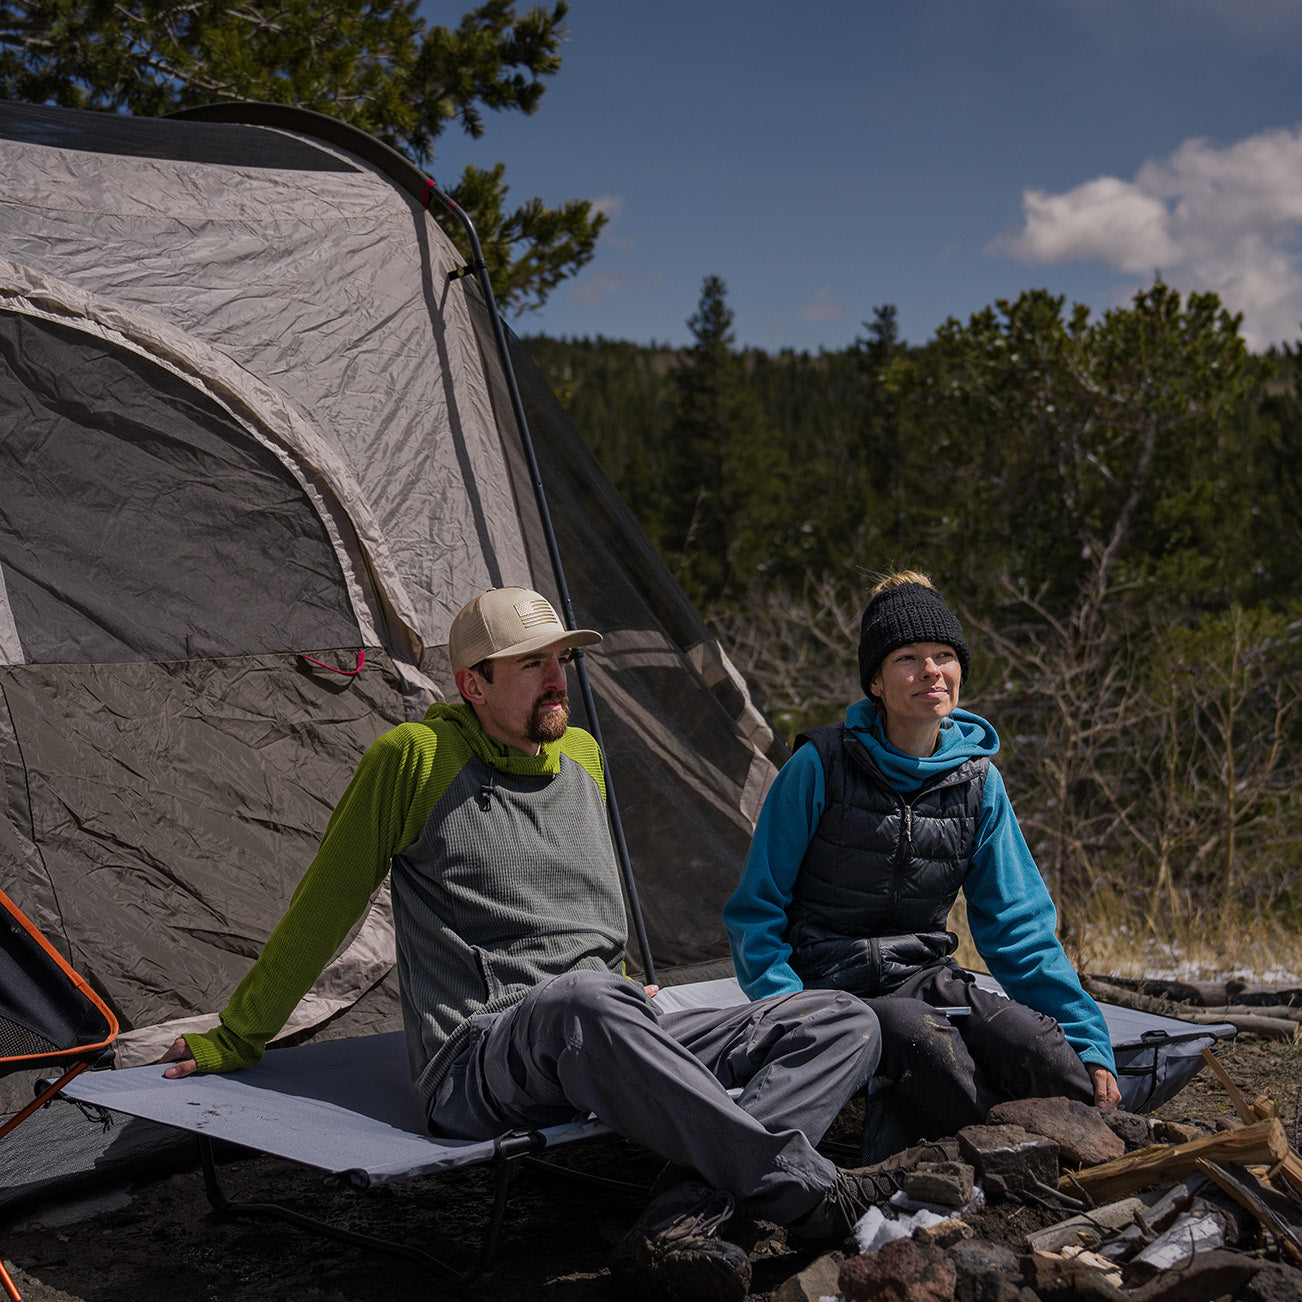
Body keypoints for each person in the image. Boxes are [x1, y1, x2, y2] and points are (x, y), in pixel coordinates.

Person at [157, 585, 929, 1302]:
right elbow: (321, 910)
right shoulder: (412, 759)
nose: (558, 677)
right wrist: (235, 1037)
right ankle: (807, 1193)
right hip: (481, 1056)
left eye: (562, 659)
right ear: (474, 686)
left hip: (602, 1025)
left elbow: (587, 903)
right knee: (585, 1002)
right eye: (532, 665)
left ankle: (679, 1220)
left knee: (840, 1020)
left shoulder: (583, 757)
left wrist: (626, 984)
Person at [724, 572, 1121, 1156]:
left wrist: (1089, 1043)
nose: (931, 670)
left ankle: (1093, 1146)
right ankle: (981, 1164)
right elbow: (755, 914)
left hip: (924, 977)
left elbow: (1021, 931)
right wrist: (794, 1013)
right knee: (927, 1045)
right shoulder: (818, 767)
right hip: (829, 989)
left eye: (943, 656)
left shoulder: (979, 783)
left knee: (1036, 1047)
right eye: (908, 658)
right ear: (876, 683)